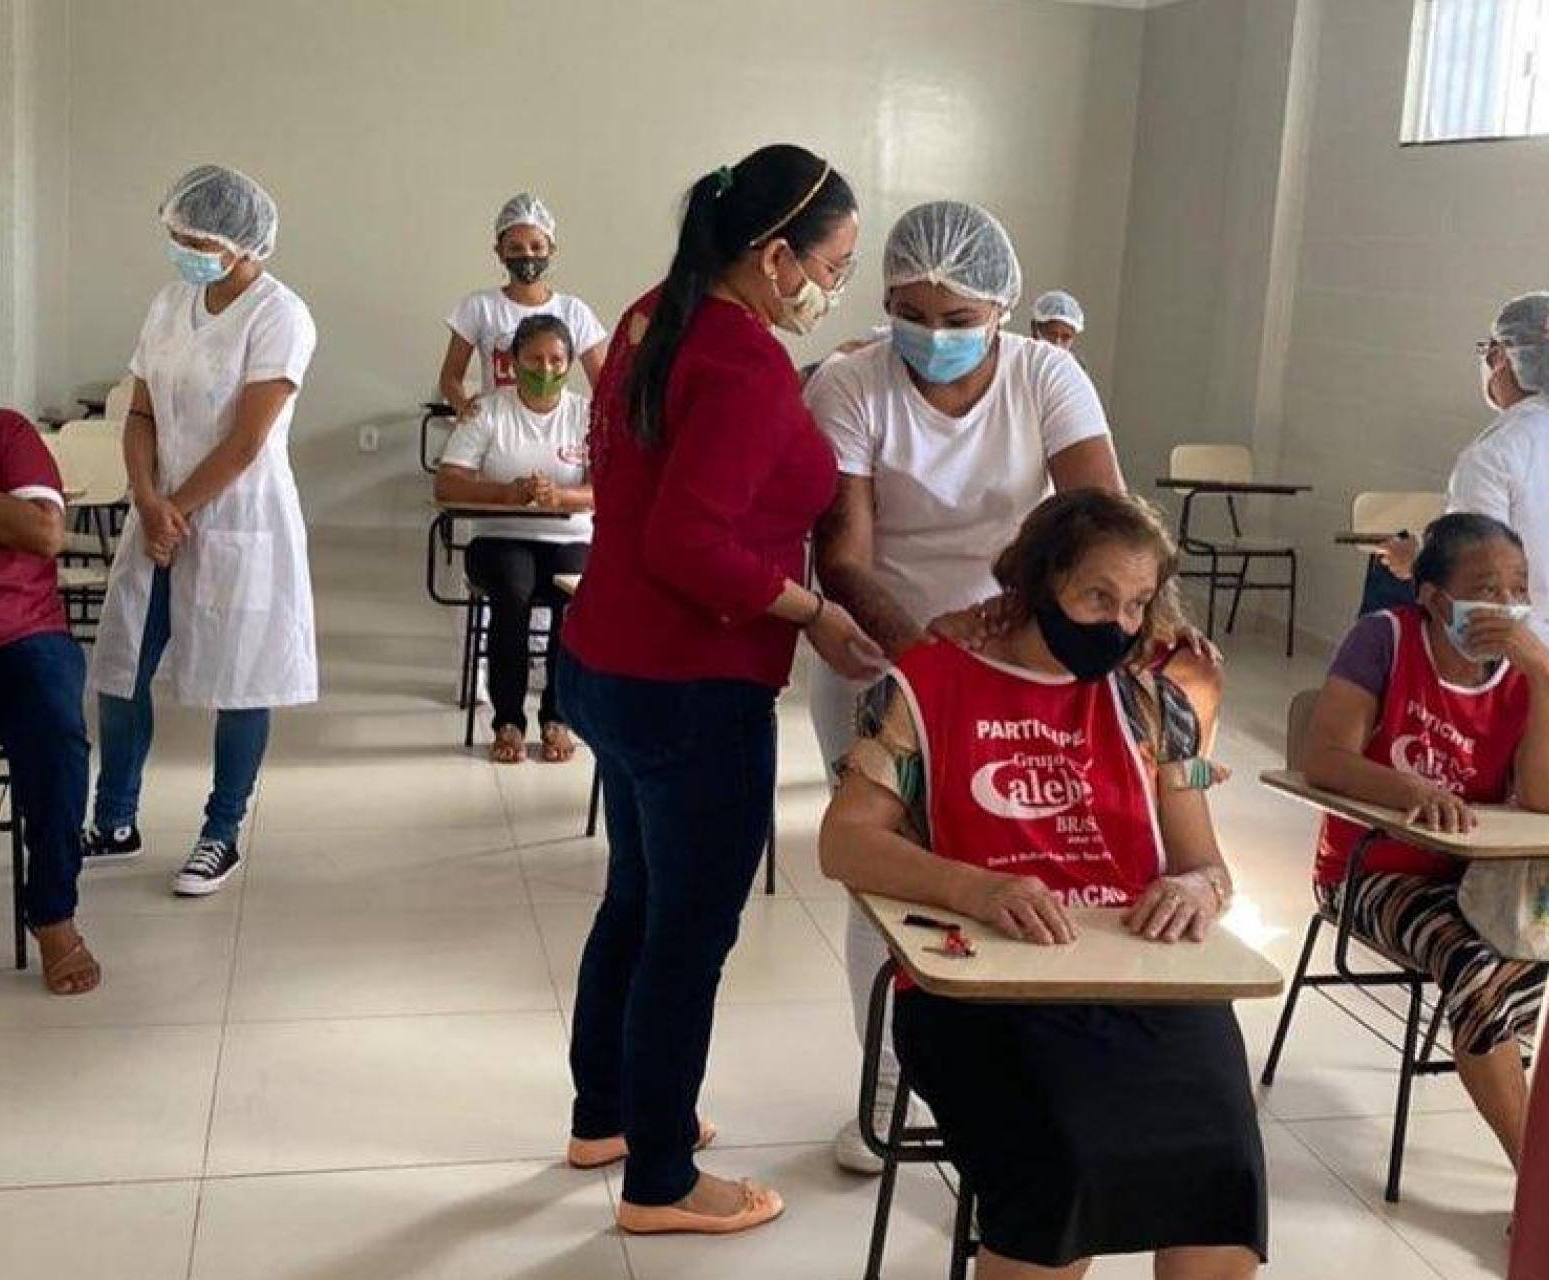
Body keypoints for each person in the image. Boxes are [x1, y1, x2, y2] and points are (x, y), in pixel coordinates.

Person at [556, 144, 885, 1237]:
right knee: (689, 933)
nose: (833, 287)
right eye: (831, 264)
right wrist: (812, 611)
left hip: (609, 662)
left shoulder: (659, 313)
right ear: (777, 253)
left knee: (639, 901)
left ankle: (608, 1113)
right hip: (691, 686)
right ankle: (658, 1180)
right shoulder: (740, 363)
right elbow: (690, 544)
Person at [821, 488, 1265, 1280]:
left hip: (1135, 975)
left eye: (1136, 604)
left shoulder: (1145, 698)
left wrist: (1197, 892)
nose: (1119, 625)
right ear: (1036, 583)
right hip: (984, 991)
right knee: (1066, 1163)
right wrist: (977, 888)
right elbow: (844, 842)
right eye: (1098, 596)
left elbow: (1206, 864)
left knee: (1222, 1164)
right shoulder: (929, 682)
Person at [804, 199, 1123, 1171]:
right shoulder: (852, 383)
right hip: (880, 646)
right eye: (911, 312)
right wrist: (926, 657)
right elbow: (845, 554)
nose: (932, 337)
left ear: (1000, 308)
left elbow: (1097, 516)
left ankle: (1009, 1069)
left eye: (956, 318)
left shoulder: (1045, 375)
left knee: (1011, 863)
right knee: (887, 863)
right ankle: (889, 1083)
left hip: (1022, 648)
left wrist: (1059, 628)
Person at [1301, 512, 1549, 1168]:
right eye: (1489, 588)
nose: (1508, 605)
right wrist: (1412, 791)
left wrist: (1547, 675)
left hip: (1481, 882)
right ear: (1434, 599)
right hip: (1369, 871)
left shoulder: (1522, 670)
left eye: (1520, 588)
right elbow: (1325, 758)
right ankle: (1540, 1175)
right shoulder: (1385, 640)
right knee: (1479, 969)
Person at [84, 164, 318, 896]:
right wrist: (149, 501)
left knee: (241, 679)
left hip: (240, 518)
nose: (181, 247)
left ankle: (222, 832)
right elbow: (142, 412)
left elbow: (248, 440)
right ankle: (115, 819)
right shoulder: (168, 303)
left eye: (194, 236)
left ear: (240, 241)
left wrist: (175, 508)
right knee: (122, 667)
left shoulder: (281, 315)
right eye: (176, 234)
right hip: (159, 510)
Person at [1386, 292, 1549, 811]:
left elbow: (1477, 566)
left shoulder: (1497, 451)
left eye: (1489, 352)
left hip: (1513, 638)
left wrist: (1417, 560)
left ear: (1502, 357)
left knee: (1516, 789)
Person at [0, 390, 98, 994]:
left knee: (54, 727)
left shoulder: (4, 436)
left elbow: (45, 534)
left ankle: (52, 916)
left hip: (14, 639)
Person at [434, 314, 592, 764]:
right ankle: (508, 719)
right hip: (500, 537)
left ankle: (557, 716)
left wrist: (561, 495)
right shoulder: (488, 410)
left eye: (556, 360)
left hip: (569, 536)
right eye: (534, 359)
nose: (546, 370)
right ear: (512, 362)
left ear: (571, 363)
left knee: (576, 601)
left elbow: (608, 486)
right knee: (512, 592)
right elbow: (447, 484)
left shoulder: (587, 414)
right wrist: (507, 493)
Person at [436, 193, 608, 421]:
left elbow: (604, 384)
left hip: (556, 434)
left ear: (551, 250)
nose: (527, 255)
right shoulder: (479, 307)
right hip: (498, 430)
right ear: (500, 252)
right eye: (516, 248)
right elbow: (450, 378)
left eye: (536, 247)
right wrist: (465, 408)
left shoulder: (574, 312)